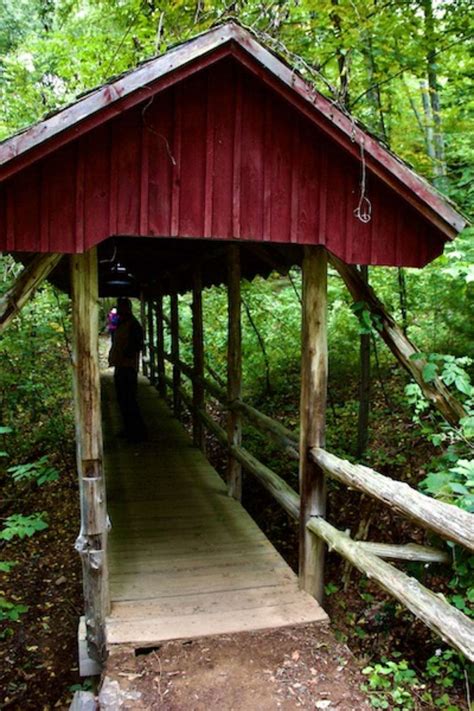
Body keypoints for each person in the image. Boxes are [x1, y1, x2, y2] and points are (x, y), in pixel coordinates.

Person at [108, 297, 147, 443]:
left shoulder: (133, 324)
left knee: (129, 399)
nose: (119, 309)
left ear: (127, 308)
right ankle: (130, 429)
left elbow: (137, 344)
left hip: (128, 366)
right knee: (123, 399)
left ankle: (139, 431)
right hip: (121, 365)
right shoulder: (121, 322)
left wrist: (125, 354)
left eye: (121, 307)